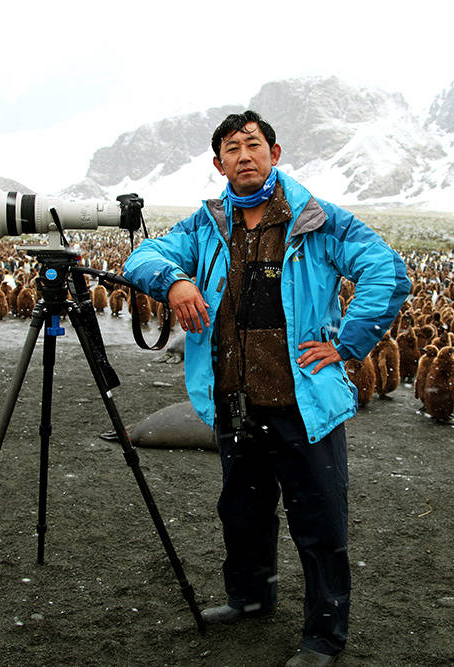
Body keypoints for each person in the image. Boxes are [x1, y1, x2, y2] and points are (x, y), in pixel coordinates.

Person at [123, 110, 410, 666]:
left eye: (253, 145)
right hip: (236, 402)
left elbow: (386, 269)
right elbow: (142, 255)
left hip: (301, 406)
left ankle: (324, 638)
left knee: (319, 523)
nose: (244, 156)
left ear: (274, 154)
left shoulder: (317, 220)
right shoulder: (206, 225)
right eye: (232, 149)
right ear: (218, 163)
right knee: (243, 512)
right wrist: (176, 280)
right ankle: (250, 598)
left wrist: (348, 343)